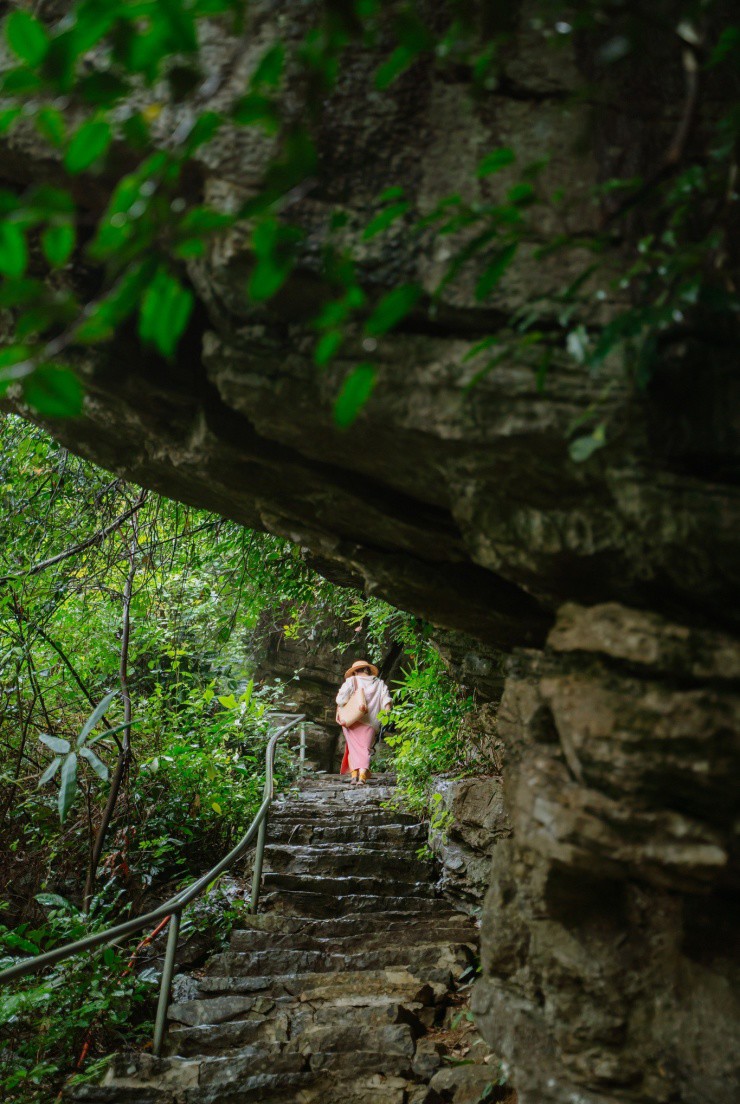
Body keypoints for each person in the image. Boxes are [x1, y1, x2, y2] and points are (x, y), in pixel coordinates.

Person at [336, 660, 392, 785]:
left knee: (354, 748)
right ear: (368, 670)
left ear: (355, 671)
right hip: (372, 722)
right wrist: (386, 716)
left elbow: (340, 700)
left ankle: (354, 775)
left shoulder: (352, 681)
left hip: (353, 719)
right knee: (364, 749)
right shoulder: (379, 683)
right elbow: (386, 701)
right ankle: (361, 775)